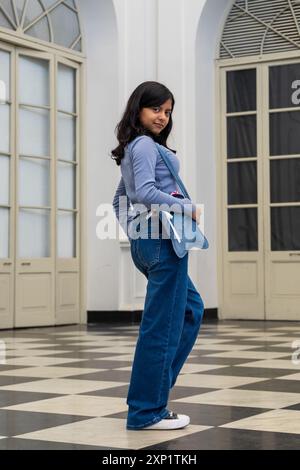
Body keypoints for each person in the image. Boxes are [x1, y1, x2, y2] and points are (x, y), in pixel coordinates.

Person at [111, 81, 204, 430]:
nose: (163, 117)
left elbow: (120, 198)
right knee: (160, 326)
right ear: (138, 109)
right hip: (163, 242)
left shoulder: (134, 148)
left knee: (191, 310)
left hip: (151, 241)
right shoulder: (145, 145)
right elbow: (147, 192)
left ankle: (153, 395)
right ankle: (146, 411)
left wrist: (134, 234)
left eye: (168, 112)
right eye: (156, 109)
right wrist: (187, 207)